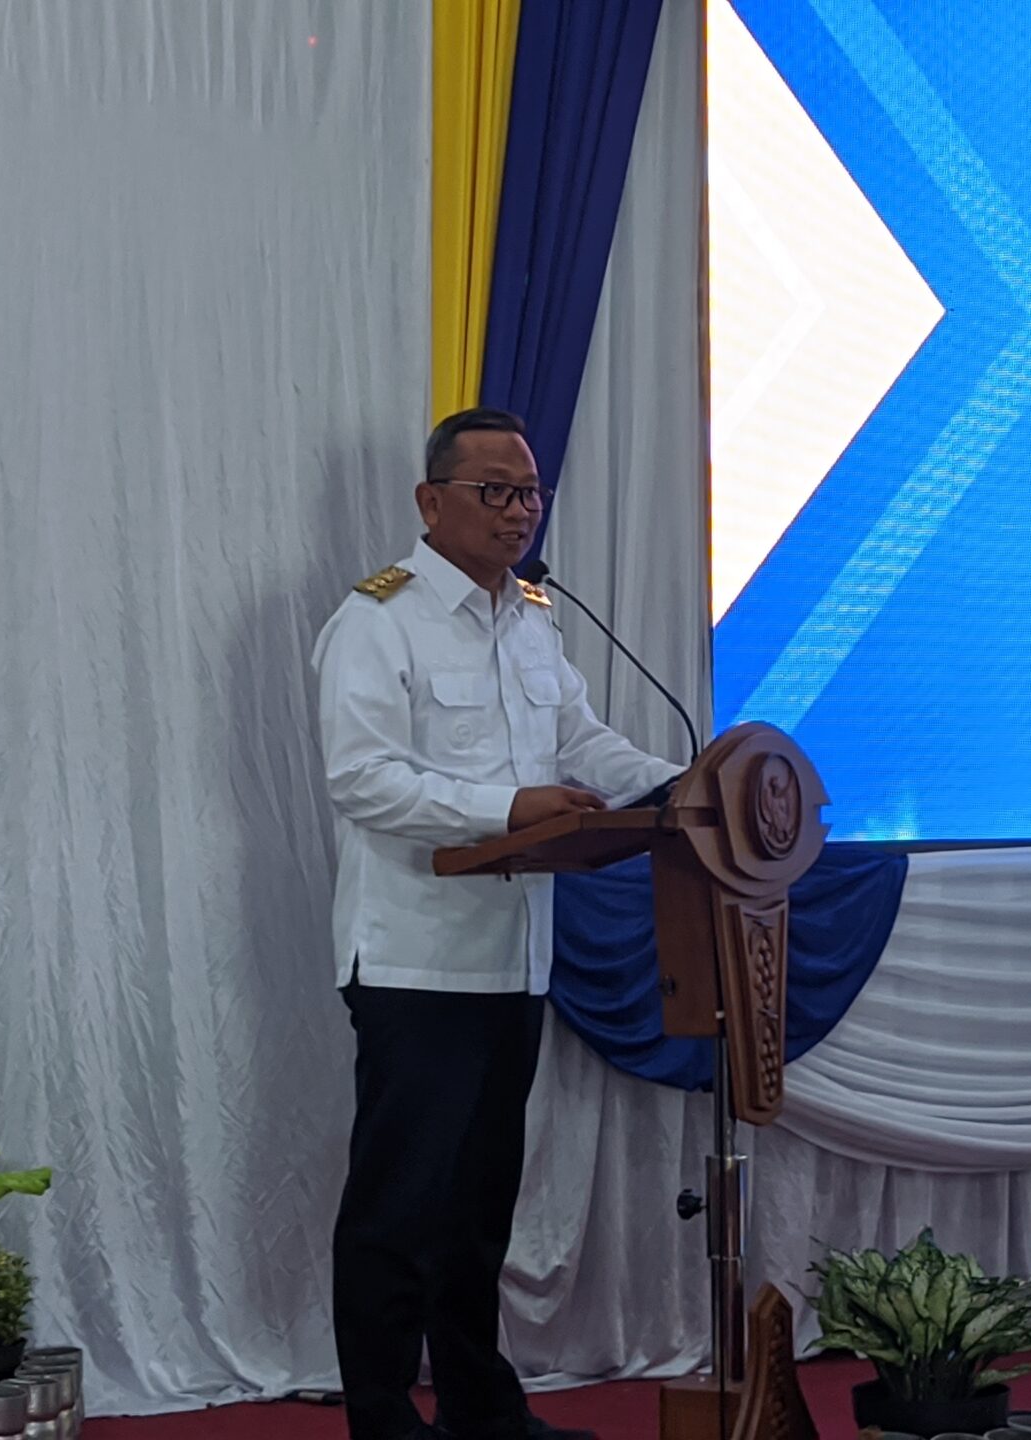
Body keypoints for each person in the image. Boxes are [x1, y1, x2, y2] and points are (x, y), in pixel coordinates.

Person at [312, 407, 680, 1440]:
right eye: (495, 491)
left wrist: (683, 786)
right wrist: (508, 808)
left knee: (478, 1211)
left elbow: (583, 741)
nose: (518, 512)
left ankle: (482, 1412)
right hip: (416, 958)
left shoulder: (532, 617)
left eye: (529, 493)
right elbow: (362, 778)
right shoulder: (378, 620)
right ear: (431, 501)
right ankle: (385, 1420)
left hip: (515, 959)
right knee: (399, 1209)